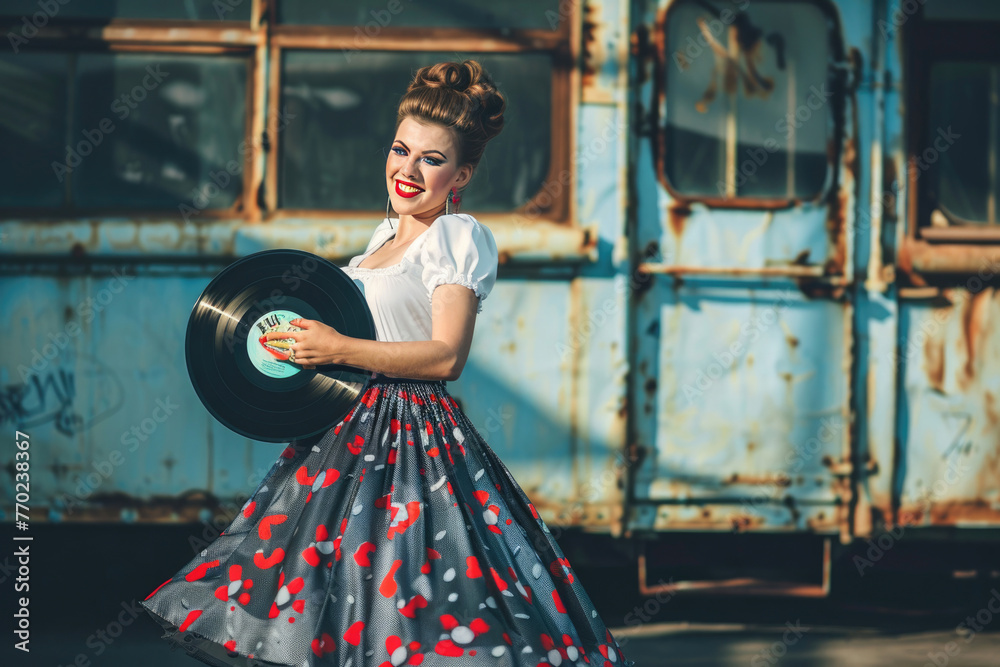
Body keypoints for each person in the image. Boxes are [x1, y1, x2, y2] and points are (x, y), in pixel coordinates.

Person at [140, 59, 634, 667]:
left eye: (432, 158)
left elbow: (447, 355)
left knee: (409, 604)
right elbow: (345, 334)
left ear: (462, 174)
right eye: (401, 150)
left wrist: (338, 349)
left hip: (411, 441)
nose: (408, 169)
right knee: (332, 599)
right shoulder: (380, 239)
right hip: (343, 436)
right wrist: (291, 346)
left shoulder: (456, 238)